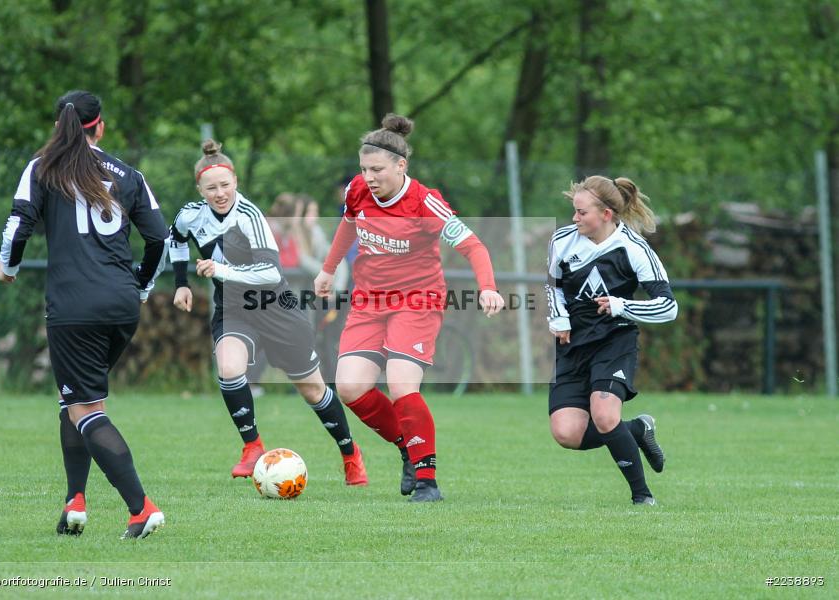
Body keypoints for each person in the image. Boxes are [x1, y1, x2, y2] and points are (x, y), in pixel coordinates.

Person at [0, 90, 168, 538]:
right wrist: (142, 285)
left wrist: (7, 267)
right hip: (121, 303)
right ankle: (75, 501)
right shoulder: (128, 174)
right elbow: (159, 240)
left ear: (59, 127)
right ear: (100, 127)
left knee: (85, 406)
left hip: (75, 306)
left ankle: (141, 507)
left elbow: (19, 224)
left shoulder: (43, 167)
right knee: (73, 400)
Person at [314, 114, 505, 502]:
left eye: (378, 169)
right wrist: (327, 270)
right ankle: (407, 445)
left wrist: (488, 288)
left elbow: (474, 246)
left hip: (417, 300)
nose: (369, 177)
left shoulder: (425, 202)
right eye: (364, 168)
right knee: (350, 386)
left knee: (401, 385)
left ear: (401, 166)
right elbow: (348, 227)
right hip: (369, 300)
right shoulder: (356, 190)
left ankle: (427, 480)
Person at [169, 140, 367, 486]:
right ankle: (252, 447)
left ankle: (350, 453)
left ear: (236, 182)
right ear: (199, 188)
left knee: (313, 391)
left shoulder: (249, 216)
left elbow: (271, 272)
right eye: (211, 187)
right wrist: (181, 282)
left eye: (225, 185)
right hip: (235, 309)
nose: (220, 193)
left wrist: (221, 271)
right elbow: (175, 238)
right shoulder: (190, 213)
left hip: (276, 309)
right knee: (229, 368)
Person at [546, 175, 676, 506]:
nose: (574, 219)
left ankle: (642, 496)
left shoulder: (634, 248)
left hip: (614, 340)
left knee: (604, 416)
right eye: (573, 212)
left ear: (605, 214)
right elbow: (553, 286)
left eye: (581, 213)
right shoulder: (562, 241)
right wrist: (558, 318)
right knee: (567, 434)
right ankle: (634, 430)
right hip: (572, 346)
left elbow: (668, 306)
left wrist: (622, 305)